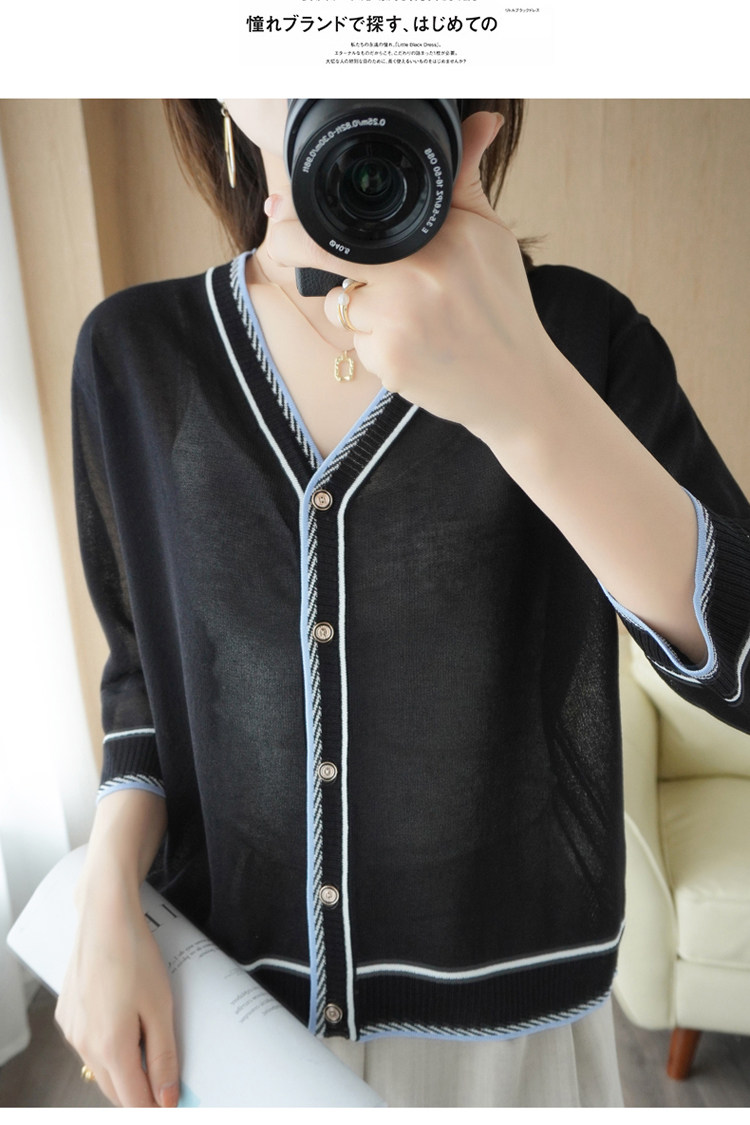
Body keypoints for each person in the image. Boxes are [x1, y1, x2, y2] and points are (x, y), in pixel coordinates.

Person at [55, 99, 750, 1108]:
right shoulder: (133, 353)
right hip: (230, 1009)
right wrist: (105, 894)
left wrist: (526, 395)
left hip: (510, 1027)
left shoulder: (579, 334)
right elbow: (143, 686)